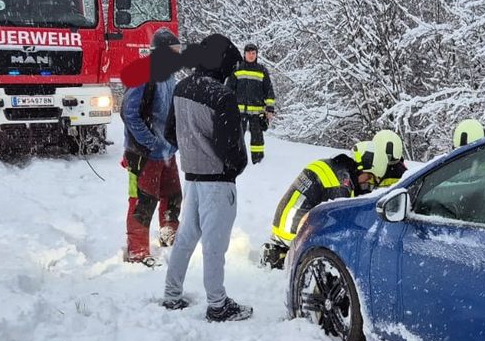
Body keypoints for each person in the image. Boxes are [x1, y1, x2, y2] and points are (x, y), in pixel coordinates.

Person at [162, 34, 253, 322]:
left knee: (186, 237)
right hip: (218, 182)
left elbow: (169, 133)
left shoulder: (181, 88)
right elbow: (231, 148)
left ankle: (172, 294)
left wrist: (193, 148)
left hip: (192, 177)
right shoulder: (222, 96)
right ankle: (218, 305)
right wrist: (237, 165)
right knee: (215, 245)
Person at [260, 138, 390, 269]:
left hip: (284, 224)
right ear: (362, 166)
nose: (368, 184)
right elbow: (340, 223)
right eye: (369, 177)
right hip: (294, 235)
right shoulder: (341, 183)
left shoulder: (330, 166)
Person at [121, 29, 183, 267]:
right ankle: (137, 250)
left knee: (173, 196)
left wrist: (173, 141)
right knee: (142, 201)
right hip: (143, 153)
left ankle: (169, 233)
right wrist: (150, 141)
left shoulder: (169, 77)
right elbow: (129, 113)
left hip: (167, 151)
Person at [225, 43, 276, 164]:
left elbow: (268, 90)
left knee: (257, 137)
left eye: (254, 53)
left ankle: (258, 160)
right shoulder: (237, 69)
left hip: (257, 111)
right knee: (237, 136)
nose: (251, 55)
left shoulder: (262, 70)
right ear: (244, 54)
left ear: (256, 55)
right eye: (249, 53)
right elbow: (228, 89)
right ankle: (236, 159)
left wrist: (269, 108)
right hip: (239, 111)